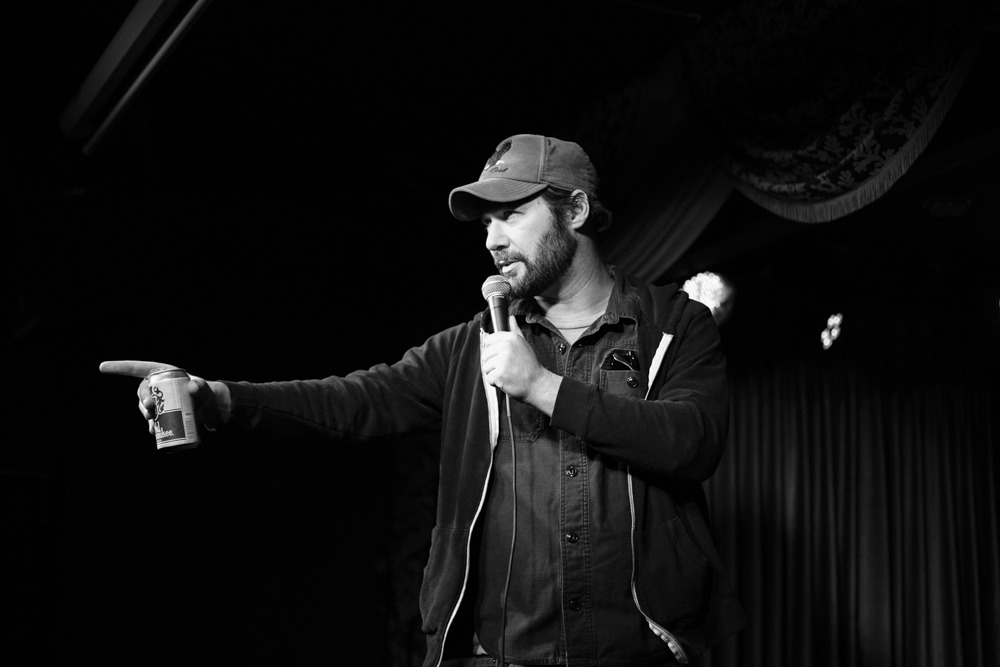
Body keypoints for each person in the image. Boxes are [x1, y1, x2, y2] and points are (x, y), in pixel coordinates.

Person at [101, 133, 746, 666]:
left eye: (512, 214)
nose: (492, 239)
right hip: (499, 657)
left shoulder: (673, 324)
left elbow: (693, 443)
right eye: (486, 221)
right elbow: (357, 401)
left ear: (575, 211)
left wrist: (542, 387)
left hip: (639, 653)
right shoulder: (470, 345)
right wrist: (218, 398)